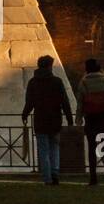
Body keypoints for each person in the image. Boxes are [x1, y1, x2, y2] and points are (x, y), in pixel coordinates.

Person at [21, 55, 73, 185]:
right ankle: (55, 173)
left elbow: (30, 102)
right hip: (55, 119)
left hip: (40, 120)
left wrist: (25, 114)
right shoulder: (57, 81)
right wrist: (69, 118)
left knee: (43, 150)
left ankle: (47, 178)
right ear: (50, 66)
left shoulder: (33, 82)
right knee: (54, 147)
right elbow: (64, 102)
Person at [75, 58, 104, 186]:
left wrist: (78, 119)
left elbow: (80, 103)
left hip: (91, 119)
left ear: (87, 69)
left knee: (91, 149)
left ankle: (93, 178)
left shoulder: (83, 83)